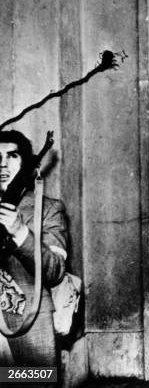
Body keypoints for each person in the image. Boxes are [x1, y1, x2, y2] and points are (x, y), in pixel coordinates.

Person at [0, 130, 68, 367]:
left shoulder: (48, 209)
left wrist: (19, 231)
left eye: (12, 156)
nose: (2, 165)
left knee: (33, 380)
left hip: (27, 323)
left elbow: (55, 270)